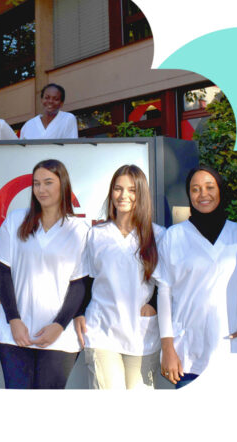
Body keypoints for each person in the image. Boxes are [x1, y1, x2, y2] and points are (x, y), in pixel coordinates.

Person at [158, 165, 237, 388]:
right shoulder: (174, 236)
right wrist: (167, 347)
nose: (203, 194)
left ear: (220, 190)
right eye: (195, 189)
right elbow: (164, 293)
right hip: (188, 355)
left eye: (210, 187)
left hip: (233, 351)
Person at [0, 159, 90, 389]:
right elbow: (4, 274)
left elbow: (79, 284)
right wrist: (13, 320)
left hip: (59, 337)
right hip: (16, 334)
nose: (41, 189)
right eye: (36, 184)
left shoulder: (79, 230)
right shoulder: (15, 221)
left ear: (63, 185)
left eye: (48, 182)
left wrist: (59, 325)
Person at [73, 164, 164, 389]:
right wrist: (79, 312)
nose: (123, 195)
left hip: (141, 334)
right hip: (102, 329)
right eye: (118, 189)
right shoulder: (96, 234)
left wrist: (154, 304)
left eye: (132, 190)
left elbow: (167, 282)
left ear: (141, 194)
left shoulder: (158, 235)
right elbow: (85, 279)